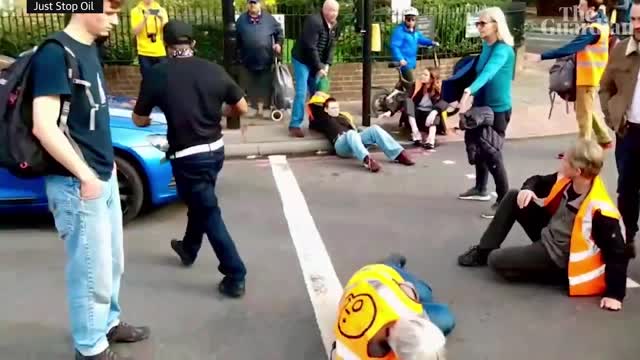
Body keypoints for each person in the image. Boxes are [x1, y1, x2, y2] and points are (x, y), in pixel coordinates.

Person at [29, 1, 151, 359]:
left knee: (111, 263)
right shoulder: (56, 53)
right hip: (76, 184)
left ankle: (108, 323)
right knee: (89, 272)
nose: (116, 20)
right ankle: (91, 347)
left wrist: (107, 168)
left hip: (102, 175)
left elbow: (88, 119)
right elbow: (43, 126)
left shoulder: (90, 49)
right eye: (110, 11)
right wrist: (85, 176)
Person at [132, 20, 249, 298]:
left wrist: (149, 120)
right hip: (216, 150)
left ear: (165, 45)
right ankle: (189, 247)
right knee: (202, 201)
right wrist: (216, 112)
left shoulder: (157, 75)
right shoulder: (213, 69)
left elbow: (139, 119)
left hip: (187, 156)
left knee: (208, 210)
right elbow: (241, 107)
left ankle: (235, 274)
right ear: (193, 44)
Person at [457, 139, 631, 312]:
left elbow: (618, 252)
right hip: (549, 233)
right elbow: (537, 180)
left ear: (577, 170)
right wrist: (528, 189)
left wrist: (615, 295)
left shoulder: (599, 209)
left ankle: (548, 274)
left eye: (565, 159)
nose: (561, 161)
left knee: (495, 260)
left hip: (558, 258)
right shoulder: (568, 180)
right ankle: (483, 250)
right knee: (513, 197)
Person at [526, 0, 614, 154]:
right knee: (586, 109)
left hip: (588, 77)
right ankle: (604, 139)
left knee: (583, 117)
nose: (578, 8)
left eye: (581, 5)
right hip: (589, 76)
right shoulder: (600, 22)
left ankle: (582, 153)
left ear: (591, 8)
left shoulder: (593, 30)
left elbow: (571, 48)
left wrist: (541, 56)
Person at [331, 254, 452, 360]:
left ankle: (392, 265)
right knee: (437, 309)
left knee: (426, 294)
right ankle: (390, 265)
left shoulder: (405, 302)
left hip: (382, 277)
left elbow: (407, 287)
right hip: (368, 280)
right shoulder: (353, 353)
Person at [455, 7, 515, 220]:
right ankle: (481, 189)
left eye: (483, 23)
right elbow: (477, 71)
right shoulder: (486, 45)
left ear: (496, 24)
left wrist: (469, 91)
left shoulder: (503, 50)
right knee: (478, 147)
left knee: (492, 152)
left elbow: (489, 73)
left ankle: (504, 200)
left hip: (498, 110)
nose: (479, 27)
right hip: (481, 107)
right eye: (477, 23)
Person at [599, 0, 640, 259]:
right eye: (634, 19)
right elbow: (605, 86)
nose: (636, 25)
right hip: (629, 132)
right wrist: (612, 117)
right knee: (626, 187)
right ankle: (628, 235)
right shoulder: (622, 49)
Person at [307, 87, 415, 172]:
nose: (336, 110)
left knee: (374, 129)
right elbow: (313, 107)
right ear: (325, 109)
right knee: (351, 133)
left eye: (337, 107)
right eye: (332, 108)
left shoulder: (344, 116)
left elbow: (355, 128)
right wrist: (321, 95)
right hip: (341, 145)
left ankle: (398, 154)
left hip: (355, 140)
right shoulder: (323, 119)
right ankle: (367, 160)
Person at [289, 0, 340, 138]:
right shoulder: (314, 22)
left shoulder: (334, 25)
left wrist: (327, 65)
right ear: (324, 10)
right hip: (302, 59)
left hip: (316, 62)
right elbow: (310, 47)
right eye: (331, 10)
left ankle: (314, 121)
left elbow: (331, 46)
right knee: (301, 91)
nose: (334, 13)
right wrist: (319, 67)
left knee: (316, 93)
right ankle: (295, 125)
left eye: (336, 10)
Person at [389, 6, 438, 144]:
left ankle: (391, 98)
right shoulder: (399, 31)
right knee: (412, 86)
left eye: (413, 19)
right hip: (404, 63)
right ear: (405, 19)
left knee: (404, 85)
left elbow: (420, 39)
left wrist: (431, 42)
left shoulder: (414, 32)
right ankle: (402, 104)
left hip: (410, 63)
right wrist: (400, 59)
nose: (411, 22)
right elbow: (394, 46)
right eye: (409, 19)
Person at [235, 0, 284, 118]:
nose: (252, 5)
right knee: (250, 83)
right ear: (248, 4)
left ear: (260, 4)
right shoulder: (241, 20)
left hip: (265, 58)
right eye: (250, 2)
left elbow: (279, 32)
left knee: (264, 84)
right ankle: (253, 106)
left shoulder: (269, 19)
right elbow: (236, 38)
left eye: (255, 2)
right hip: (247, 59)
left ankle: (262, 107)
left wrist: (278, 43)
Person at [400, 67, 452, 149]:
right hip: (417, 115)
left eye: (425, 75)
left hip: (429, 116)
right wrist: (390, 111)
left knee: (436, 113)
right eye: (422, 74)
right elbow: (405, 96)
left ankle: (431, 139)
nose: (422, 76)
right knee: (408, 102)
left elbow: (445, 101)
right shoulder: (417, 85)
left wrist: (434, 112)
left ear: (432, 78)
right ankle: (415, 133)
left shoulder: (440, 87)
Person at [130, 0, 169, 78]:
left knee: (163, 78)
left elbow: (167, 31)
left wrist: (162, 20)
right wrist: (144, 19)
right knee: (147, 78)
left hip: (160, 51)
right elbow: (135, 32)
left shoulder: (161, 10)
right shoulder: (135, 11)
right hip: (144, 52)